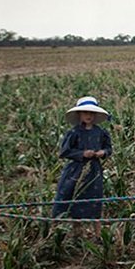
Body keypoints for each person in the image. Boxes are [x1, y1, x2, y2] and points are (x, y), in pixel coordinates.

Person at [52, 96, 112, 232]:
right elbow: (64, 152)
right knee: (74, 196)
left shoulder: (101, 132)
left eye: (91, 113)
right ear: (79, 114)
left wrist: (102, 153)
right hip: (75, 170)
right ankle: (77, 232)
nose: (88, 116)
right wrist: (82, 154)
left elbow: (109, 149)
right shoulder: (74, 132)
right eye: (85, 112)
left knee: (95, 199)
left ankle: (98, 233)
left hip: (94, 171)